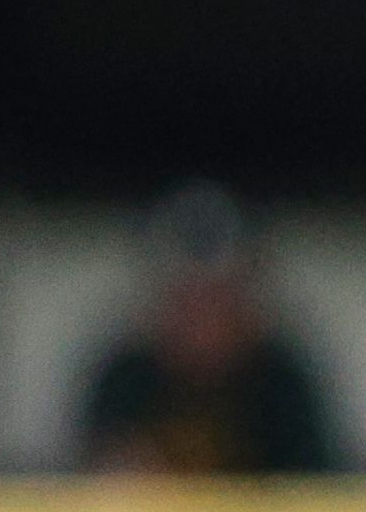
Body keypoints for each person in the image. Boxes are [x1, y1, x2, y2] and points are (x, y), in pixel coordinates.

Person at [75, 184, 341, 478]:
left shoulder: (283, 384)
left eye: (219, 299)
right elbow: (91, 486)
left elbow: (314, 492)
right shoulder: (125, 380)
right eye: (188, 301)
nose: (203, 320)